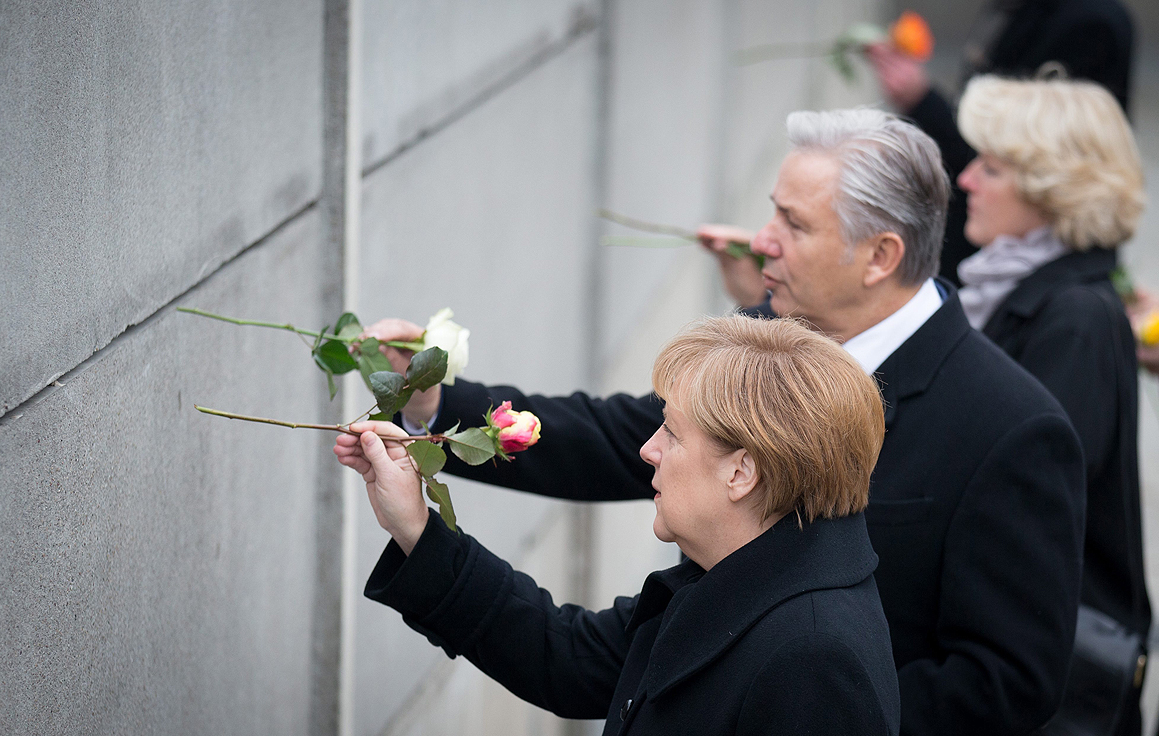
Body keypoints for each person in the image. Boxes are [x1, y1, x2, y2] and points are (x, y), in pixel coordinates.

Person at [360, 108, 1086, 735]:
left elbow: (1006, 685)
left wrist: (793, 701)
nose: (761, 240)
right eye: (773, 211)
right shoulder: (769, 349)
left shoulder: (1014, 428)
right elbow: (614, 450)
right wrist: (433, 409)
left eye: (793, 224)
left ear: (880, 256)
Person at [338, 316, 901, 735]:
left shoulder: (814, 661)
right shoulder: (746, 571)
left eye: (672, 434)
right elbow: (568, 656)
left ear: (742, 471)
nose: (647, 449)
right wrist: (416, 527)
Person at [953, 75, 1149, 734]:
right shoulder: (1022, 289)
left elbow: (1025, 501)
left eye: (992, 166)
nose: (966, 179)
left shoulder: (1075, 318)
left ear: (1050, 187)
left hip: (1041, 673)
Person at [866, 0, 1134, 284]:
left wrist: (923, 101)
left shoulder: (1089, 22)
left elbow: (1041, 158)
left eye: (990, 168)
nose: (968, 180)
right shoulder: (1021, 11)